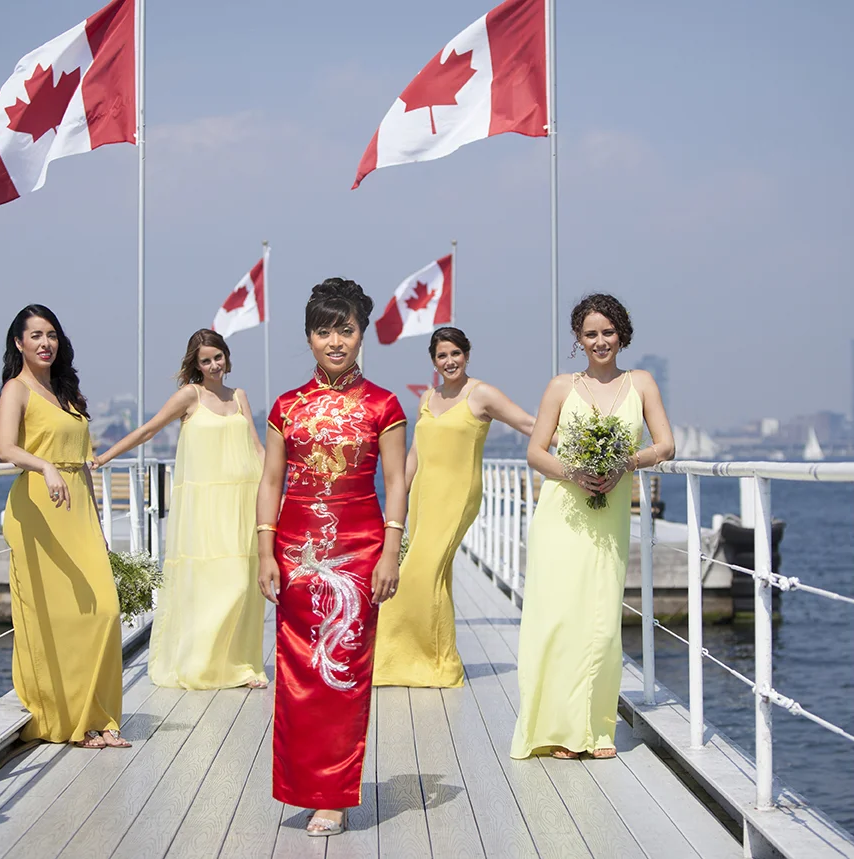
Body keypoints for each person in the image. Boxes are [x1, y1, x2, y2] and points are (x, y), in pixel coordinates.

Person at [255, 278, 407, 836]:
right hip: (296, 552)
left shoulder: (383, 406)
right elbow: (271, 480)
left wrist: (391, 552)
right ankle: (304, 787)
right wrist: (264, 551)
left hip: (359, 550)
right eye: (324, 331)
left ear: (362, 333)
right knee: (296, 671)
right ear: (309, 338)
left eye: (345, 330)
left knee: (343, 672)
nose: (335, 342)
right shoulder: (286, 407)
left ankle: (334, 797)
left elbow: (395, 483)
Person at [510, 294, 675, 760]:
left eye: (607, 332)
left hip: (609, 519)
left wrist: (627, 462)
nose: (599, 341)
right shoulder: (561, 387)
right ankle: (559, 730)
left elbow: (666, 445)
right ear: (578, 340)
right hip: (562, 516)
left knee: (602, 623)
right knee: (559, 620)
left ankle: (597, 729)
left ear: (622, 333)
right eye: (590, 334)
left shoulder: (641, 383)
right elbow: (536, 452)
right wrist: (574, 473)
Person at [93, 328, 268, 690]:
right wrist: (105, 456)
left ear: (227, 356)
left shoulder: (240, 396)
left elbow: (257, 446)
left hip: (243, 500)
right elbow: (148, 430)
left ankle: (239, 663)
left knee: (243, 582)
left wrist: (278, 488)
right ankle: (202, 663)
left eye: (218, 357)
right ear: (196, 365)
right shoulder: (191, 395)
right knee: (216, 582)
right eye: (206, 360)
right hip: (206, 505)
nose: (214, 365)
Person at [0, 304, 128, 748]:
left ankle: (98, 716)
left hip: (78, 511)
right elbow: (5, 448)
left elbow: (83, 466)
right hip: (37, 510)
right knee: (59, 619)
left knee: (105, 611)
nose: (44, 343)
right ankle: (72, 722)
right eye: (34, 335)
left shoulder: (67, 393)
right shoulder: (16, 389)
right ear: (19, 343)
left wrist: (98, 524)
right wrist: (45, 467)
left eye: (50, 334)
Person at [374, 326, 535, 688]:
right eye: (442, 355)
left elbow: (526, 422)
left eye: (455, 354)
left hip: (458, 495)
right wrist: (398, 497)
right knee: (435, 577)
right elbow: (415, 452)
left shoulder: (481, 394)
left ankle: (406, 659)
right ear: (434, 361)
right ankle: (439, 660)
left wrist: (573, 445)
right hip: (422, 496)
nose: (449, 361)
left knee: (420, 571)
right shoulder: (427, 398)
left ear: (467, 354)